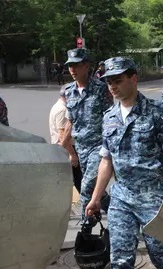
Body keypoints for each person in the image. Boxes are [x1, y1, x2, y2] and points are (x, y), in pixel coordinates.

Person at [85, 57, 163, 269]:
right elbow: (106, 160)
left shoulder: (158, 112)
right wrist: (95, 198)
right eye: (109, 81)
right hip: (122, 198)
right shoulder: (109, 117)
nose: (112, 86)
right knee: (120, 260)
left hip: (155, 199)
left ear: (133, 78)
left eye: (117, 80)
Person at [58, 48, 112, 217]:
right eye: (70, 66)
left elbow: (111, 118)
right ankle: (120, 213)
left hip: (99, 147)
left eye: (76, 65)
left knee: (87, 186)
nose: (72, 70)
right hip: (81, 148)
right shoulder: (69, 91)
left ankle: (85, 226)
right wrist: (62, 147)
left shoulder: (101, 89)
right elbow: (70, 122)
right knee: (98, 190)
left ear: (87, 66)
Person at [50, 85, 83, 194]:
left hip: (61, 148)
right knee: (79, 180)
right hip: (66, 149)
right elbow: (62, 134)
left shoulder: (57, 106)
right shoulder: (62, 109)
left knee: (75, 179)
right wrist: (72, 154)